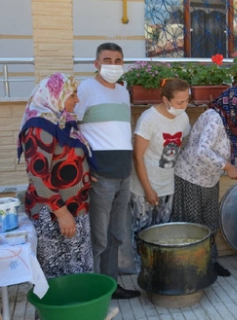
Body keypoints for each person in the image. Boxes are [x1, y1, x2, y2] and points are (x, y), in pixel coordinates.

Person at [75, 42, 140, 299]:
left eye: (117, 60)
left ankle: (111, 287)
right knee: (99, 239)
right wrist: (84, 168)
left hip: (124, 173)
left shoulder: (123, 92)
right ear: (96, 63)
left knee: (116, 235)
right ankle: (95, 292)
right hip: (101, 175)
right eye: (107, 59)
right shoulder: (85, 89)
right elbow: (73, 130)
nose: (112, 65)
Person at [172, 87, 237, 277]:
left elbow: (233, 154)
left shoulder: (231, 121)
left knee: (210, 223)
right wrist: (227, 167)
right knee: (192, 225)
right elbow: (203, 151)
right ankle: (191, 268)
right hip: (190, 177)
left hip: (209, 179)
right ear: (234, 105)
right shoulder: (214, 118)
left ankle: (210, 262)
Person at [18, 73, 93, 280]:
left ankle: (81, 311)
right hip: (53, 213)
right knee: (56, 275)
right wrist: (61, 214)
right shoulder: (38, 127)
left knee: (77, 270)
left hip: (75, 207)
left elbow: (69, 157)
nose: (77, 100)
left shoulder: (62, 122)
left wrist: (85, 175)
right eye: (73, 94)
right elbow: (37, 176)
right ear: (55, 95)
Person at [119, 79, 191, 273]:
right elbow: (137, 156)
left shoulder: (183, 117)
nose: (184, 106)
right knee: (142, 231)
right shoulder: (148, 119)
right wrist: (149, 189)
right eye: (179, 102)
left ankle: (159, 268)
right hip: (145, 186)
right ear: (165, 99)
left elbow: (180, 143)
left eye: (187, 101)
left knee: (162, 230)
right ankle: (142, 270)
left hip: (167, 184)